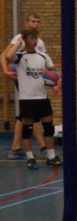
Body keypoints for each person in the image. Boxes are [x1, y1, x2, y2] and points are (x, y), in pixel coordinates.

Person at [6, 28, 61, 169]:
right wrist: (18, 43)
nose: (35, 41)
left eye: (36, 38)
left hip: (42, 97)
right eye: (31, 38)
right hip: (27, 99)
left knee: (48, 128)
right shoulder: (20, 57)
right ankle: (30, 158)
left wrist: (56, 83)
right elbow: (8, 56)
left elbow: (54, 72)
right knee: (27, 129)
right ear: (25, 40)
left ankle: (51, 156)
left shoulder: (43, 56)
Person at [3, 13, 47, 160]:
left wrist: (50, 79)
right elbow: (4, 55)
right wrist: (5, 71)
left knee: (26, 114)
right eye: (33, 21)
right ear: (27, 23)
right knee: (29, 113)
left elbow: (42, 62)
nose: (36, 24)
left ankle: (16, 147)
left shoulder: (39, 42)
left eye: (38, 21)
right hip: (23, 77)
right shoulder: (20, 38)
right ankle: (42, 146)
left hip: (35, 78)